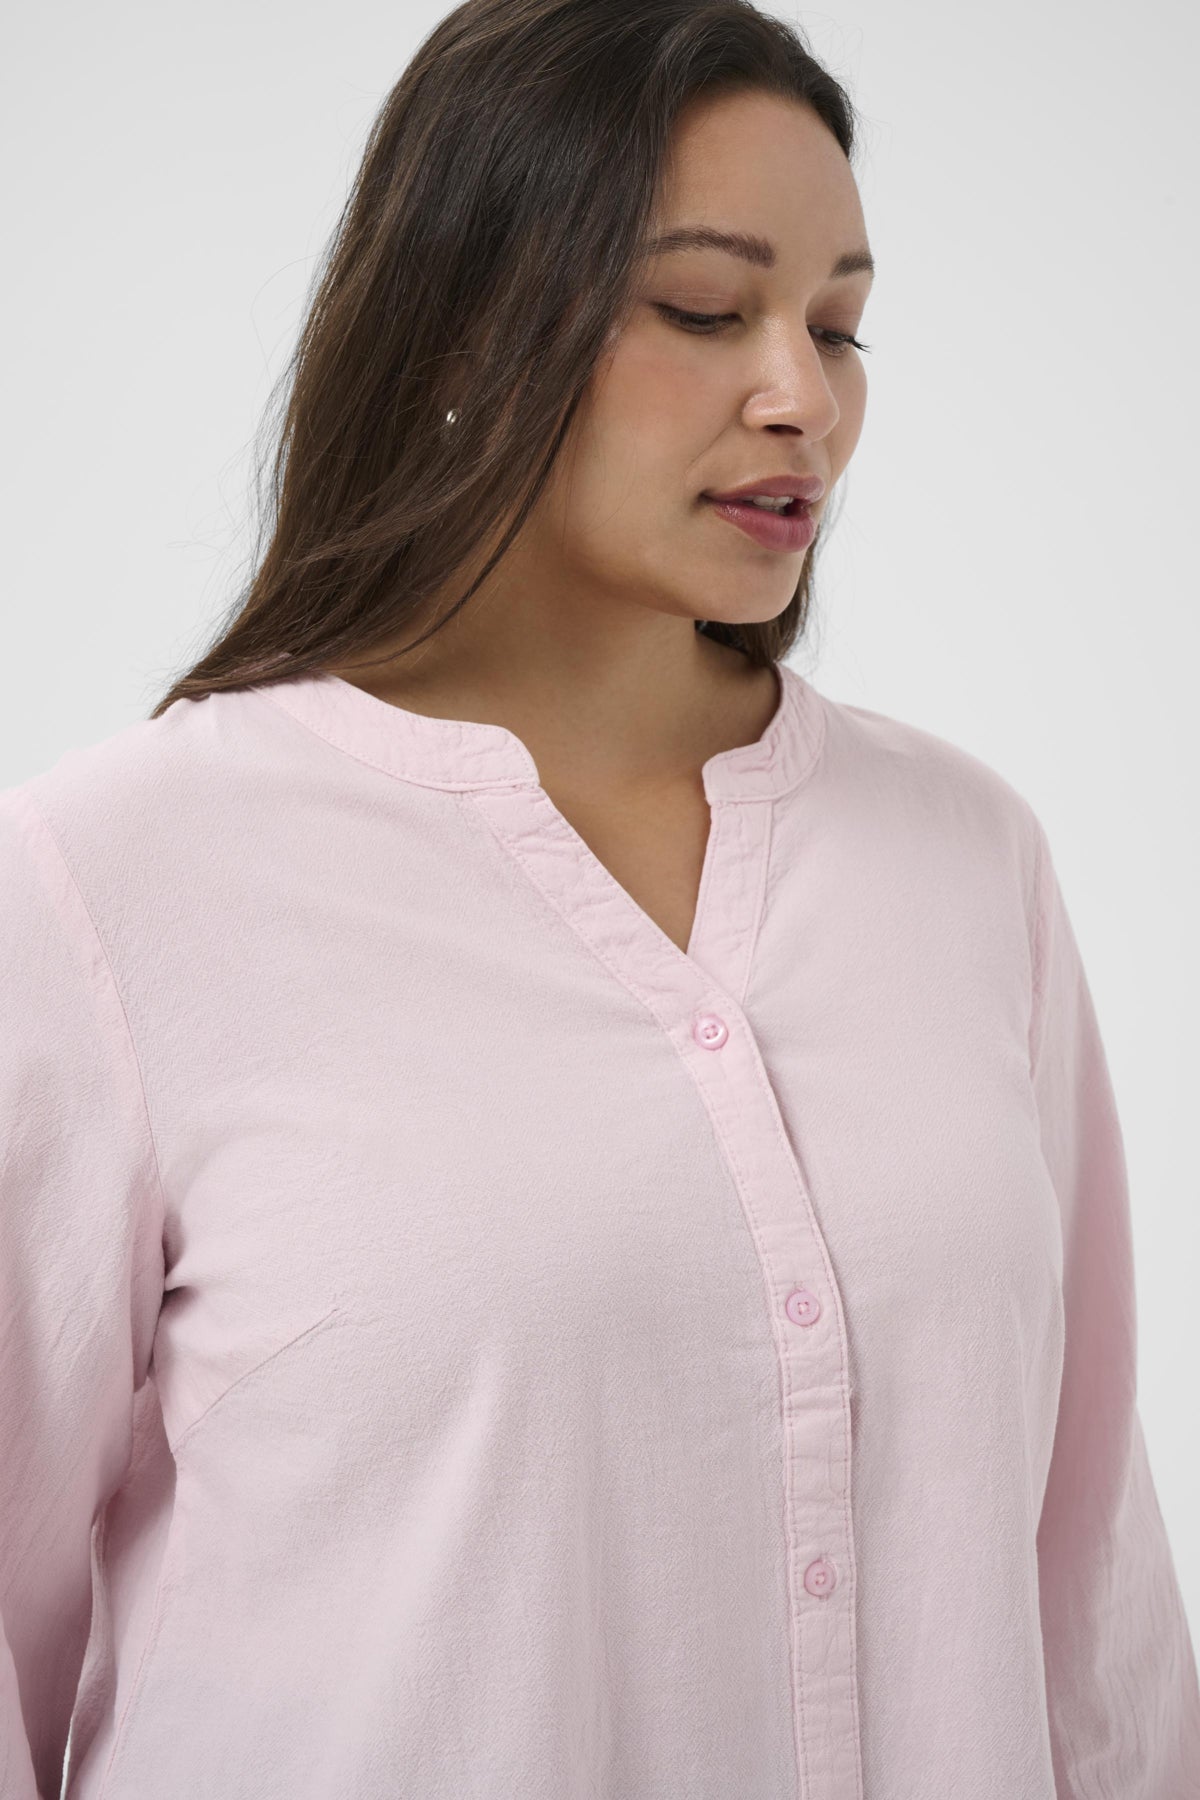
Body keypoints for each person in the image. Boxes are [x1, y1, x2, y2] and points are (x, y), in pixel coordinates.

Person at [3, 1, 1198, 1795]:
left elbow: (1088, 1598)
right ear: (465, 323)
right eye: (707, 310)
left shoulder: (969, 859)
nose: (802, 396)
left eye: (840, 326)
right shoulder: (108, 885)